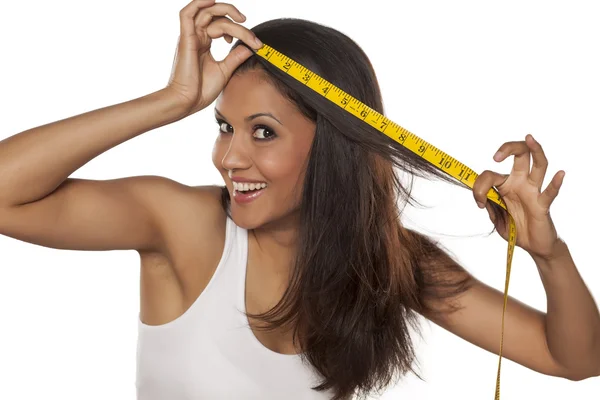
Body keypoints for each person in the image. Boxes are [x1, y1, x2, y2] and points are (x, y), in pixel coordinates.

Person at [0, 1, 598, 399]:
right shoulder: (186, 227)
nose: (231, 158)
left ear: (333, 144)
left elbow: (574, 360)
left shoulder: (390, 261)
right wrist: (171, 101)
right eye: (222, 127)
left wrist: (549, 254)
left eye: (263, 132)